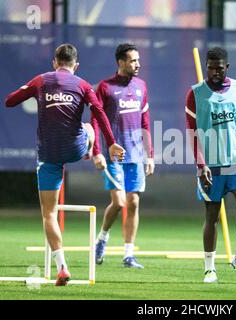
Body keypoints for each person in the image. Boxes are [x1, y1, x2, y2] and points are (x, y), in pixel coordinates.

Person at [5, 43, 125, 285]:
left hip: (48, 153)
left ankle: (62, 267)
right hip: (75, 148)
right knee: (89, 127)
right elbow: (99, 113)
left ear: (54, 62)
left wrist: (32, 91)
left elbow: (9, 101)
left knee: (48, 214)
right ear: (75, 65)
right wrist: (110, 143)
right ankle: (89, 151)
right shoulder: (81, 85)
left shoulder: (41, 80)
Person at [185, 47, 236, 283]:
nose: (214, 72)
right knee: (212, 215)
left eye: (219, 68)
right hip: (211, 165)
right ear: (206, 66)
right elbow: (192, 132)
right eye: (210, 67)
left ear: (226, 67)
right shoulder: (195, 93)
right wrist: (201, 165)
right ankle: (209, 268)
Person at [91, 43, 154, 269]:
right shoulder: (105, 88)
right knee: (118, 202)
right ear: (121, 62)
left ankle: (128, 255)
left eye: (138, 60)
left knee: (134, 202)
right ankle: (102, 239)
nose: (138, 64)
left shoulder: (141, 86)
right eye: (133, 60)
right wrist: (97, 150)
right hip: (114, 154)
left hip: (136, 154)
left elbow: (145, 121)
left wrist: (150, 154)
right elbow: (95, 121)